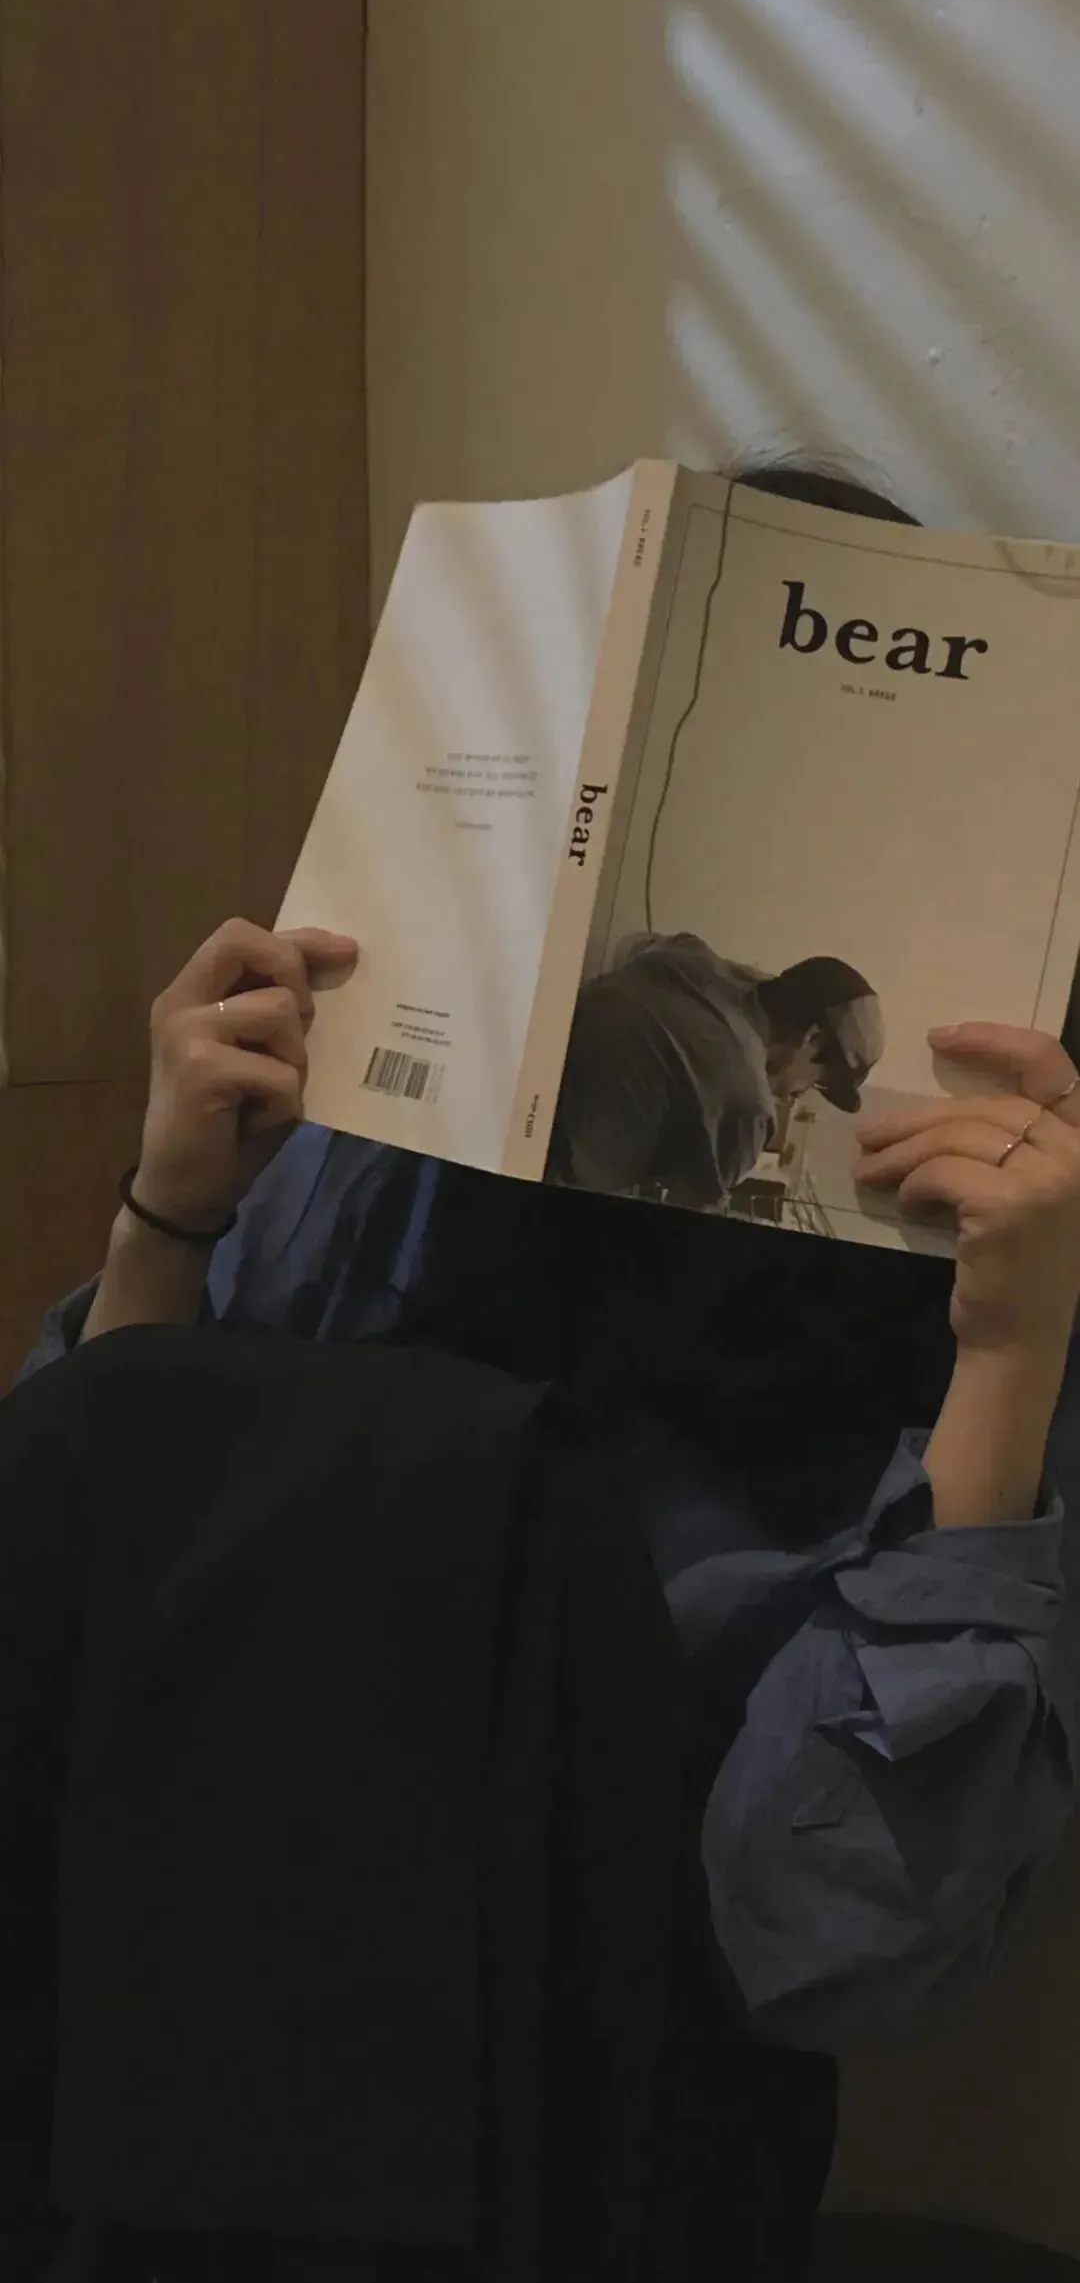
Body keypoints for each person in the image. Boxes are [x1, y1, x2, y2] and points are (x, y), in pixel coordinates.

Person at [16, 467, 1080, 2273]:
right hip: (155, 2106)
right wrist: (170, 1210)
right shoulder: (373, 1170)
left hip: (591, 2161)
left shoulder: (977, 1276)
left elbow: (830, 1944)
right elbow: (77, 1613)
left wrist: (1008, 1358)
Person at [549, 936, 884, 1206]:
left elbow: (629, 944)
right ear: (812, 1040)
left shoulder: (687, 953)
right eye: (821, 1082)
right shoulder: (748, 1106)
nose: (797, 1096)